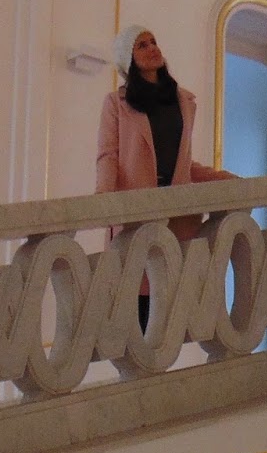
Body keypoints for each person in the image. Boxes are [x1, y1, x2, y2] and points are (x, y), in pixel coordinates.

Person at [96, 25, 234, 330]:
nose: (152, 48)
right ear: (128, 59)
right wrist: (103, 199)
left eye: (153, 41)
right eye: (142, 45)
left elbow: (183, 163)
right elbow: (108, 156)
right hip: (136, 215)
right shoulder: (116, 103)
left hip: (177, 217)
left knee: (168, 310)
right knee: (134, 303)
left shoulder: (183, 102)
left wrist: (223, 178)